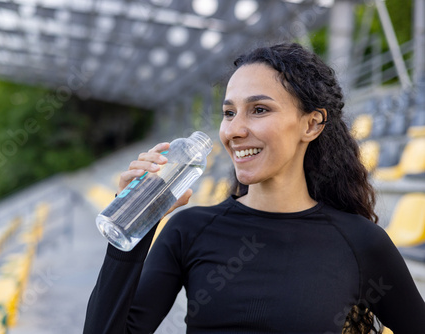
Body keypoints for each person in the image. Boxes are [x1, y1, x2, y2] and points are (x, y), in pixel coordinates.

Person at [83, 43, 425, 333]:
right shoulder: (190, 230)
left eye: (259, 109)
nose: (235, 129)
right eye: (229, 113)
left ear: (312, 124)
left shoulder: (360, 241)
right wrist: (133, 225)